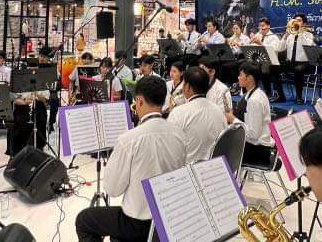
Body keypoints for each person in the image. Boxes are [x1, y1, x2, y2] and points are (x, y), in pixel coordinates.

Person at [75, 76, 186, 242]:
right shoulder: (178, 134)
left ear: (139, 101)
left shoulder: (129, 139)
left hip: (137, 223)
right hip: (167, 218)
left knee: (84, 220)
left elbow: (112, 190)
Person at [167, 67, 227, 163]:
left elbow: (170, 150)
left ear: (187, 87)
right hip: (215, 167)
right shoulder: (219, 111)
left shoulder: (178, 113)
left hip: (187, 169)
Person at [226, 62, 275, 166]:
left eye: (241, 75)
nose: (238, 78)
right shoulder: (256, 93)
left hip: (258, 150)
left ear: (250, 78)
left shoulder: (254, 100)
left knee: (222, 151)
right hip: (256, 145)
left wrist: (233, 119)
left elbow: (253, 134)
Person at [278, 14, 314, 104]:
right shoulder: (290, 35)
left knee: (298, 70)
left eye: (299, 20)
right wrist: (286, 35)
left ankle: (299, 96)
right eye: (295, 20)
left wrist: (300, 32)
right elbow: (280, 49)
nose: (296, 22)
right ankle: (280, 95)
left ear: (304, 24)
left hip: (304, 63)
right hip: (291, 63)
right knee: (274, 67)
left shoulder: (309, 35)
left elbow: (308, 46)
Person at [251, 17, 284, 101]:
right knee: (251, 66)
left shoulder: (273, 37)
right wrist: (252, 42)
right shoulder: (258, 35)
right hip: (262, 61)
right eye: (259, 26)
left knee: (264, 67)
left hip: (273, 62)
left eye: (263, 26)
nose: (261, 28)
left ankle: (278, 95)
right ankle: (265, 92)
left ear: (268, 26)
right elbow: (253, 48)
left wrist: (260, 43)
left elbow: (273, 50)